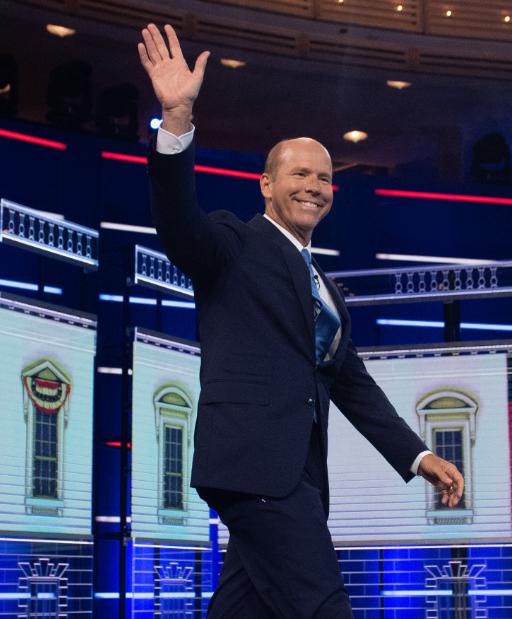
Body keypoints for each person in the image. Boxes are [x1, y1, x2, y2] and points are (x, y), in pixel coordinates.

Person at [137, 23, 464, 618]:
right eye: (300, 174)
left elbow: (352, 386)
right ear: (266, 185)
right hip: (256, 467)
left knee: (245, 607)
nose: (315, 187)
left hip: (298, 475)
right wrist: (177, 119)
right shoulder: (235, 245)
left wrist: (419, 457)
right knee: (321, 605)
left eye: (325, 177)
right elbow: (178, 221)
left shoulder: (327, 288)